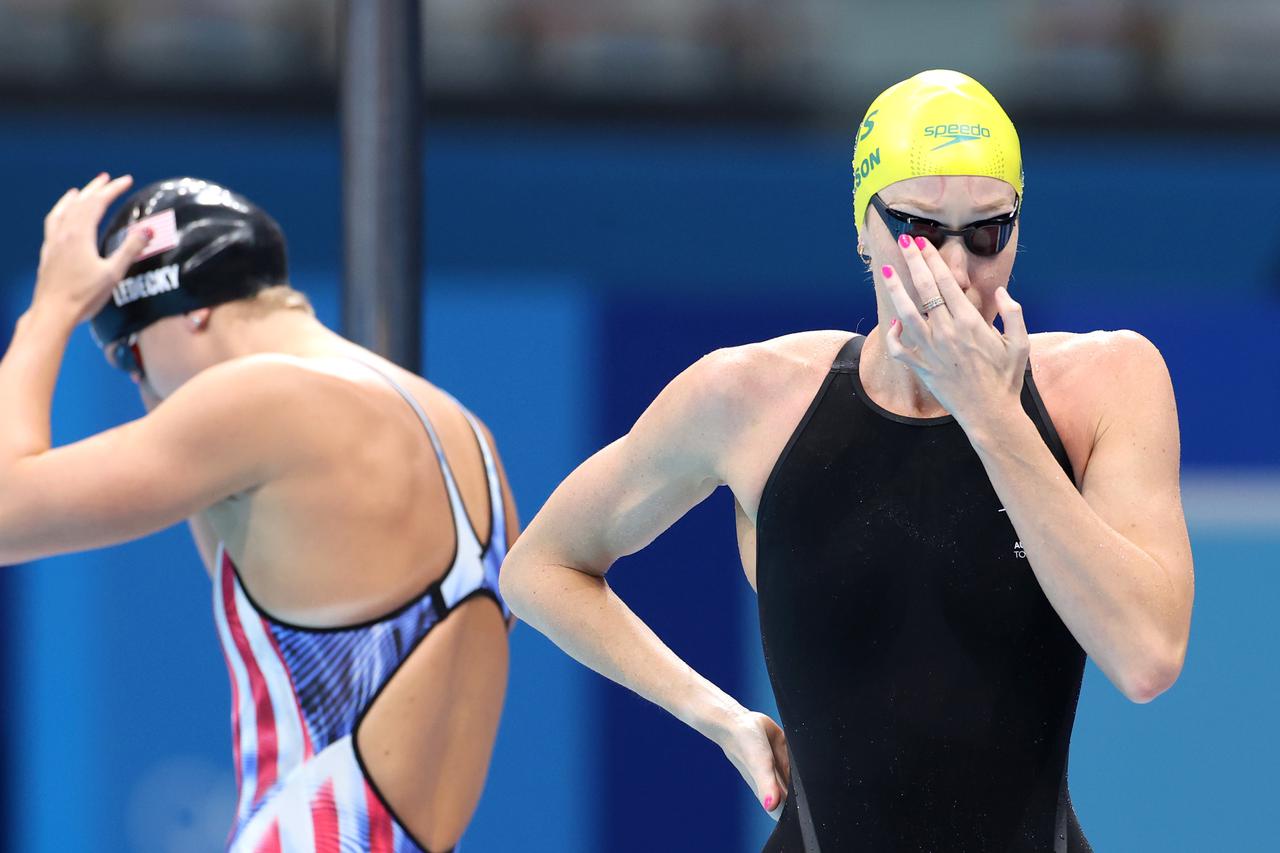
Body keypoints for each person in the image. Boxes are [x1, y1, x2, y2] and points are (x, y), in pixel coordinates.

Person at [500, 70, 1194, 851]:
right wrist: (716, 713)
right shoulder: (754, 400)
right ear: (864, 229)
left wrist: (992, 413)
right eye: (920, 232)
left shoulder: (1106, 386)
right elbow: (539, 568)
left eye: (987, 233)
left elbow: (1147, 656)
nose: (957, 272)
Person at [0, 174, 518, 852]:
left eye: (127, 351)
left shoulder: (259, 401)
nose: (139, 385)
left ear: (192, 310)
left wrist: (49, 311)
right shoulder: (471, 439)